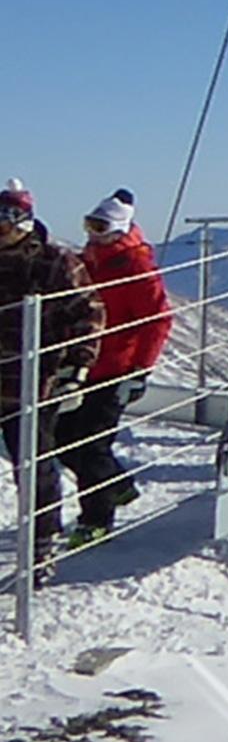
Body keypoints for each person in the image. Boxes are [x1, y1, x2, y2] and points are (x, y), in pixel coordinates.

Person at [0, 180, 102, 567]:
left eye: (7, 220)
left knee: (34, 466)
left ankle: (41, 546)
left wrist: (77, 365)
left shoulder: (55, 263)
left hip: (31, 384)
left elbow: (88, 312)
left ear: (24, 221)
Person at [58, 190, 170, 543]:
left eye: (100, 226)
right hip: (85, 365)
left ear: (119, 228)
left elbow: (158, 320)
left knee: (91, 445)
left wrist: (140, 370)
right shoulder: (90, 259)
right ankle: (117, 484)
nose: (92, 233)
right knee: (63, 437)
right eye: (89, 225)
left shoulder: (135, 266)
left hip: (115, 367)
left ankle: (97, 519)